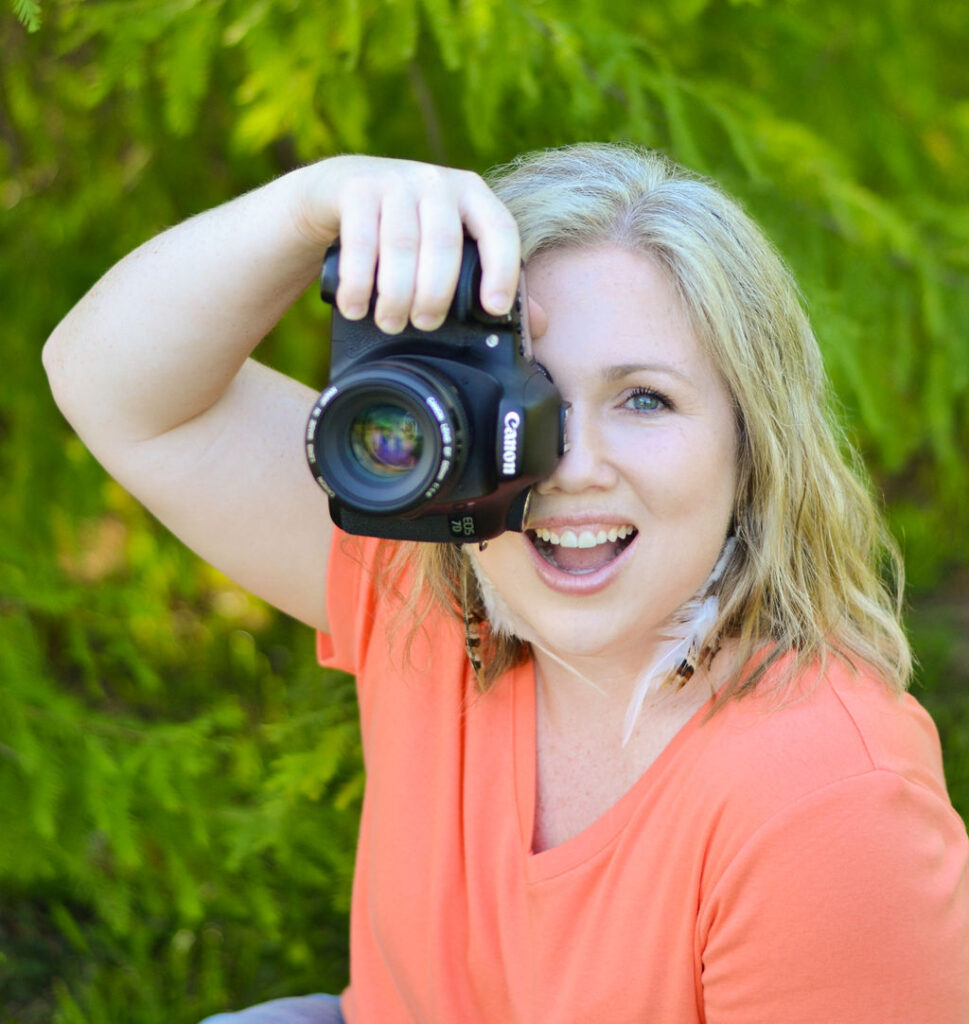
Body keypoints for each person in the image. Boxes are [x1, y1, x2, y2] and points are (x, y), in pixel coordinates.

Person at [43, 144, 969, 1023]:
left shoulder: (824, 802)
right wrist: (311, 202)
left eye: (643, 398)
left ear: (750, 446)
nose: (568, 466)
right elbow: (110, 381)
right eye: (524, 395)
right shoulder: (430, 591)